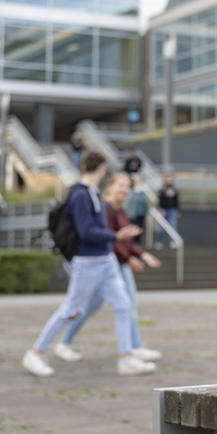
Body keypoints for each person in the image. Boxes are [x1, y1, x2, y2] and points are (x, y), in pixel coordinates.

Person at [21, 151, 156, 377]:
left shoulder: (92, 192)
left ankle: (126, 358)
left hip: (105, 261)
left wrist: (115, 239)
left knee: (123, 306)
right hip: (89, 262)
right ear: (102, 168)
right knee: (70, 309)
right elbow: (86, 231)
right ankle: (35, 353)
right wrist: (116, 236)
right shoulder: (80, 195)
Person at [53, 172, 163, 365]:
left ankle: (132, 348)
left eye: (127, 187)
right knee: (86, 307)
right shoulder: (103, 208)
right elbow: (108, 239)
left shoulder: (120, 210)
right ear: (110, 185)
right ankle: (60, 343)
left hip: (116, 266)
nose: (124, 190)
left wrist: (142, 255)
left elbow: (124, 240)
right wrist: (129, 259)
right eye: (120, 185)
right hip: (105, 265)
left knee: (121, 306)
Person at [156, 173, 179, 249]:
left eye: (170, 178)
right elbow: (160, 199)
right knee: (160, 228)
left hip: (172, 209)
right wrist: (161, 208)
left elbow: (176, 200)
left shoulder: (175, 188)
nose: (169, 180)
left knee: (173, 227)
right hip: (164, 210)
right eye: (167, 178)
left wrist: (178, 209)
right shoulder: (162, 188)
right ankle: (158, 241)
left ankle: (172, 241)